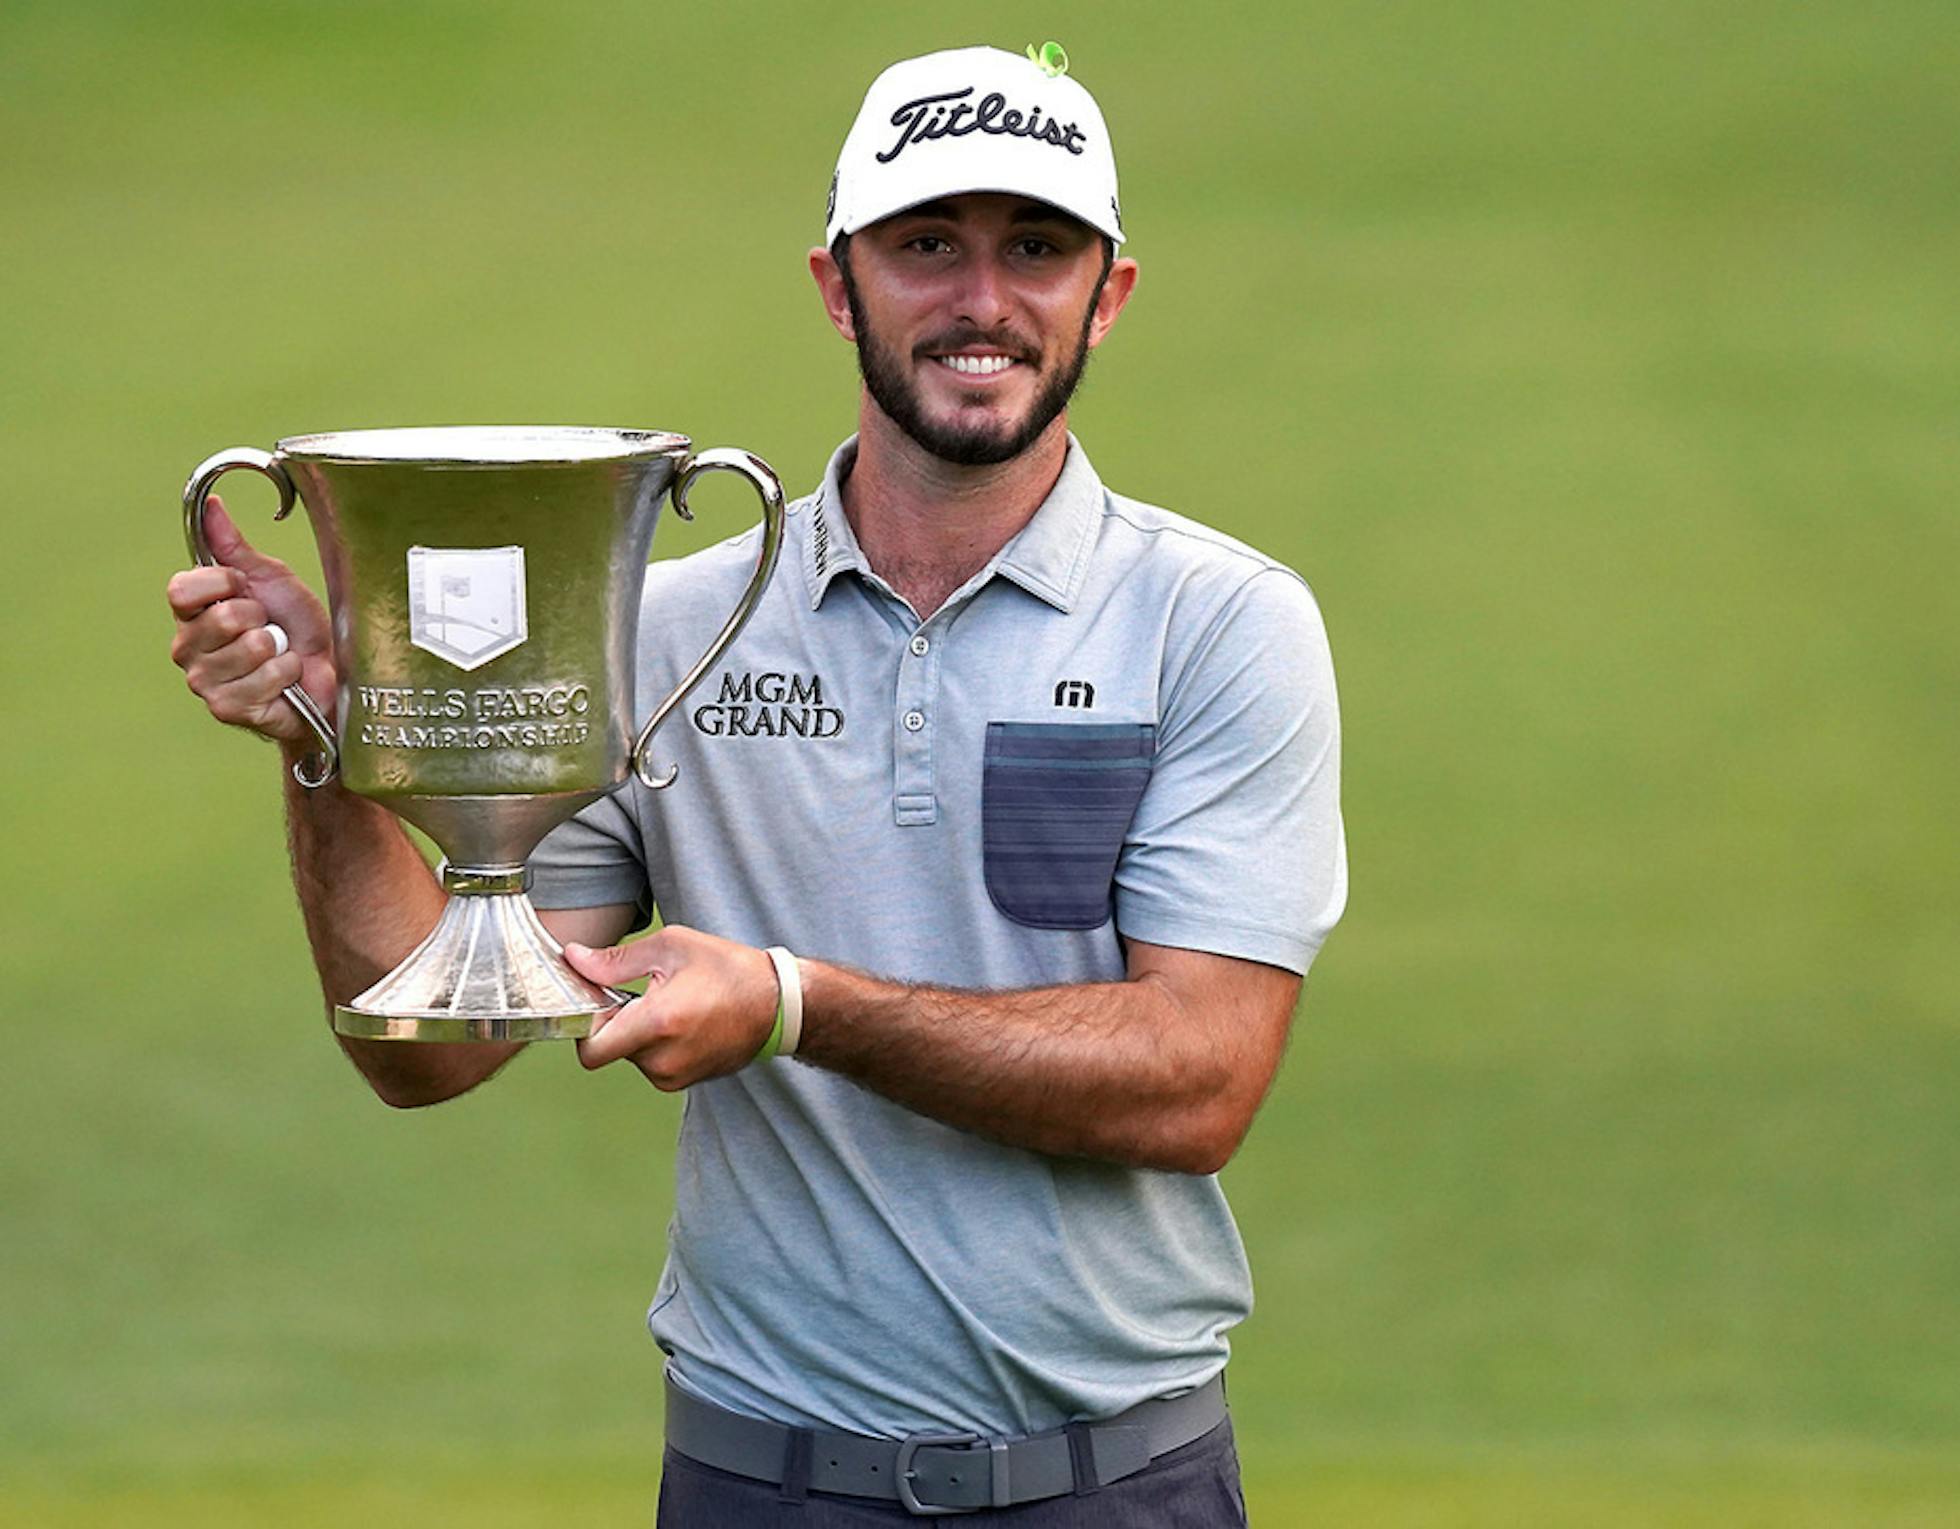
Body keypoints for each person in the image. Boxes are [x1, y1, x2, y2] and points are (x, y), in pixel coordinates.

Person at [166, 43, 1344, 1525]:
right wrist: (326, 749)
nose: (984, 299)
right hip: (764, 1480)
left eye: (1037, 250)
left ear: (1106, 294)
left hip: (1113, 1483)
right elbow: (433, 1051)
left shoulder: (1218, 623)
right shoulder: (665, 625)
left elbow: (1201, 1078)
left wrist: (794, 1003)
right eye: (928, 246)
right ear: (838, 286)